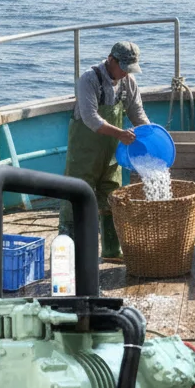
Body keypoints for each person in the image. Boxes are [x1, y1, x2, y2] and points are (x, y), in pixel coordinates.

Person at [60, 40, 149, 258]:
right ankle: (69, 254)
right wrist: (120, 134)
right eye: (124, 68)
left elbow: (136, 112)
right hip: (84, 156)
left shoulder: (128, 82)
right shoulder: (89, 80)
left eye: (130, 70)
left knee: (113, 200)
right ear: (111, 60)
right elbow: (91, 119)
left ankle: (111, 250)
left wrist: (149, 134)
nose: (126, 74)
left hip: (110, 157)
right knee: (75, 200)